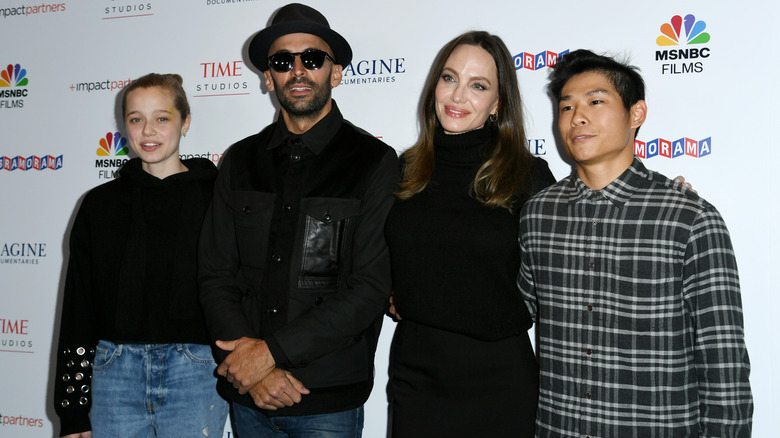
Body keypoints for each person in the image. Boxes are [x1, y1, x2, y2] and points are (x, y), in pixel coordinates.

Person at [517, 49, 753, 437]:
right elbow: (511, 310)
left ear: (636, 114)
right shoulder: (538, 214)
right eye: (566, 107)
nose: (577, 117)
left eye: (595, 101)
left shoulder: (688, 219)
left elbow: (723, 364)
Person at [197, 3, 398, 436]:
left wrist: (269, 354)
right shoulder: (238, 161)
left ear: (336, 72)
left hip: (328, 397)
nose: (298, 71)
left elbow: (369, 288)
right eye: (283, 62)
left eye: (312, 58)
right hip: (248, 394)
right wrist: (253, 369)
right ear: (268, 77)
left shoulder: (373, 163)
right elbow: (215, 275)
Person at [385, 31, 555, 437]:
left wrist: (653, 198)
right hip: (416, 375)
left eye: (477, 86)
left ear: (497, 103)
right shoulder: (402, 169)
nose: (458, 96)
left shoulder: (528, 176)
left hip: (499, 381)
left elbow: (582, 242)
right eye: (449, 78)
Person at [54, 73, 228, 437]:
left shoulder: (220, 199)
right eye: (136, 119)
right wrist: (72, 411)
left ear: (186, 123)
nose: (148, 131)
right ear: (125, 127)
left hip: (196, 372)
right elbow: (79, 307)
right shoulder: (99, 205)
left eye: (161, 118)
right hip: (113, 372)